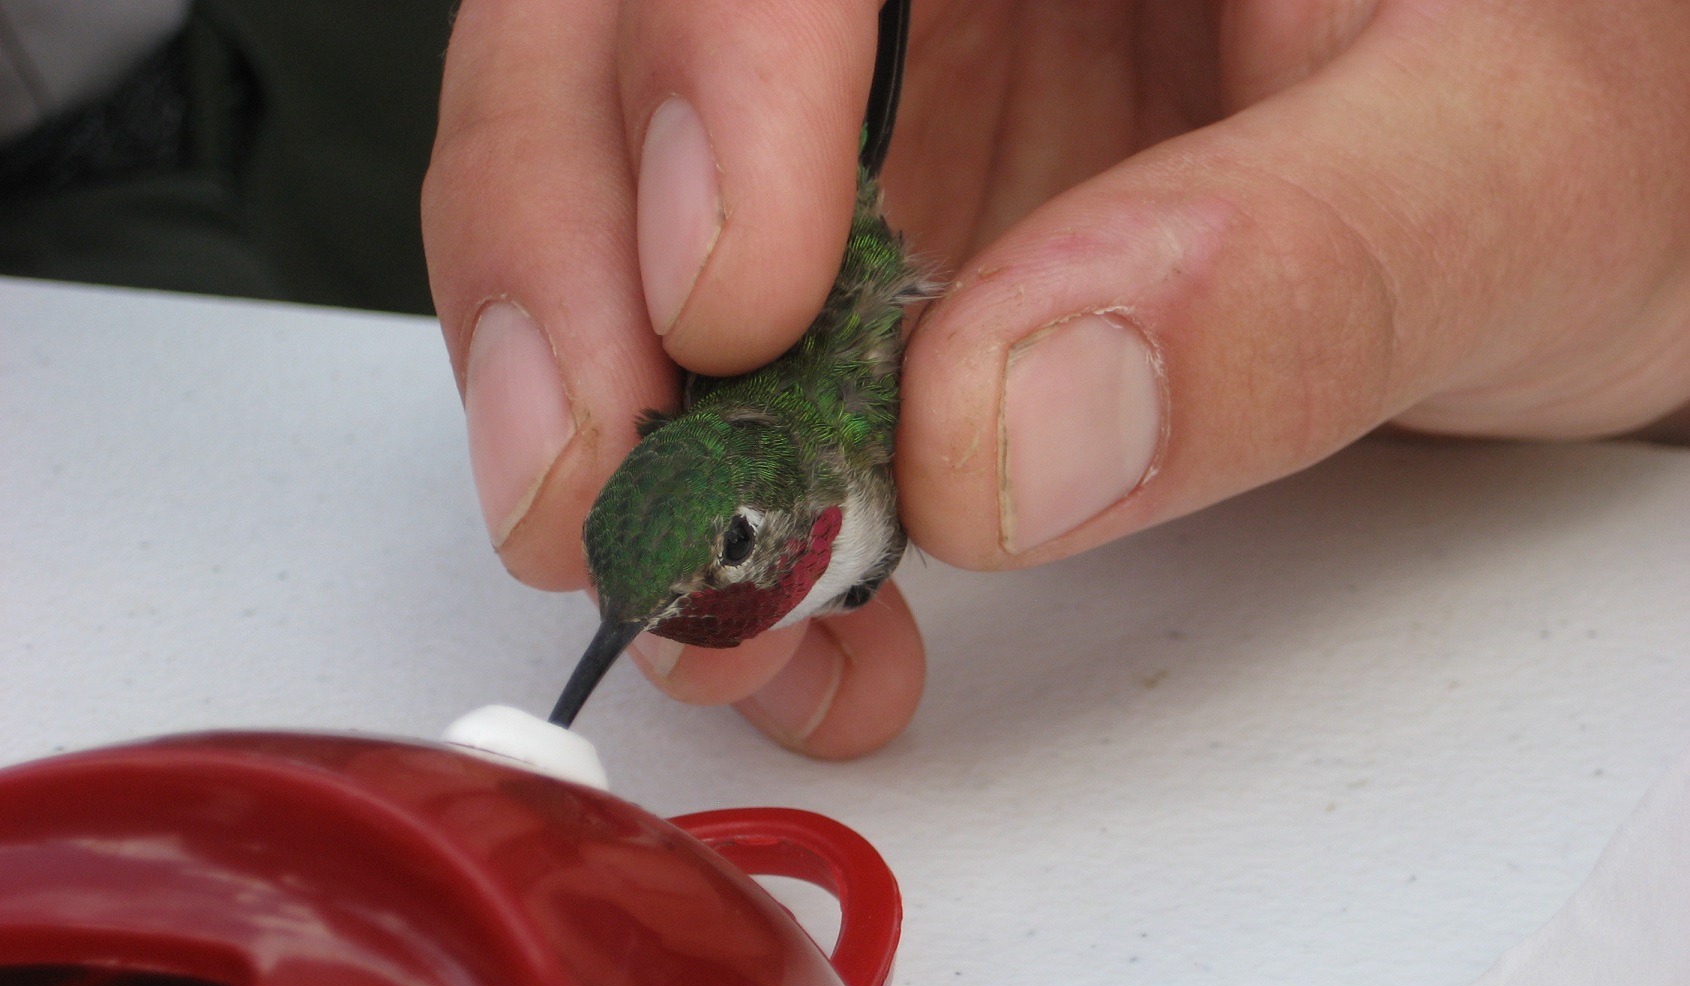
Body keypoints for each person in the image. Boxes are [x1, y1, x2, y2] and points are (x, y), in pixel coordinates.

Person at [421, 0, 1690, 759]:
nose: (660, 610)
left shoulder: (858, 444)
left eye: (735, 546)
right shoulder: (744, 511)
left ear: (795, 513)